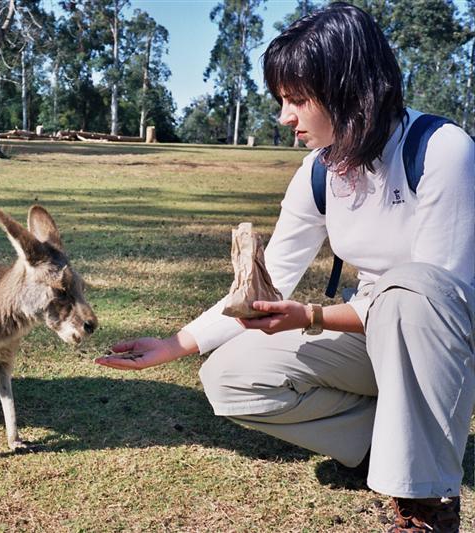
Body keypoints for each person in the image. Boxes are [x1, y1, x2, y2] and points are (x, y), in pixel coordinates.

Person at [95, 3, 474, 532]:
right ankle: (379, 445)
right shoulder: (319, 173)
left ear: (347, 89)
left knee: (411, 289)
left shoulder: (442, 151)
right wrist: (175, 344)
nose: (284, 117)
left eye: (297, 100)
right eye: (282, 101)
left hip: (450, 342)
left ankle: (426, 503)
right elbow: (268, 277)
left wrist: (312, 317)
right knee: (228, 376)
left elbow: (442, 299)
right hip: (371, 334)